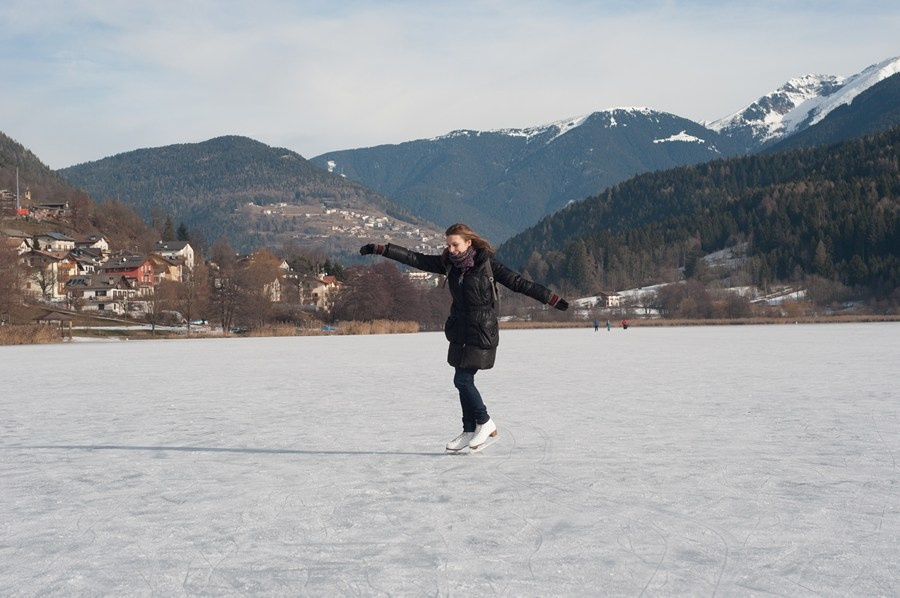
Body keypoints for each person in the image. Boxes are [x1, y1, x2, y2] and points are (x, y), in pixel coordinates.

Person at [360, 223, 569, 452]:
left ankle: (485, 422)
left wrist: (551, 298)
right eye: (448, 245)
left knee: (462, 380)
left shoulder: (487, 265)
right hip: (459, 330)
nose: (451, 250)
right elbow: (415, 258)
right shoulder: (450, 265)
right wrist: (381, 249)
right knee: (462, 381)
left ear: (469, 243)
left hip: (481, 329)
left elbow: (519, 283)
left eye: (455, 244)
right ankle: (469, 430)